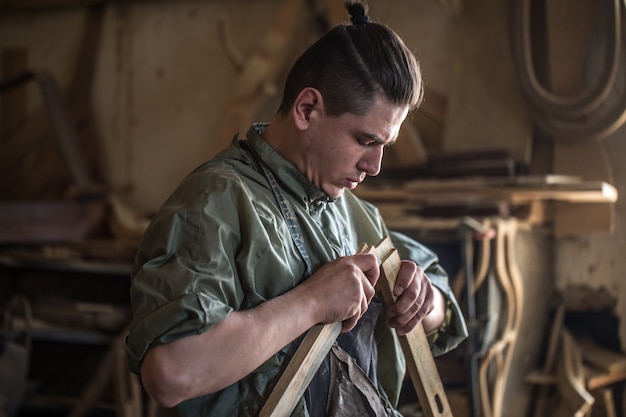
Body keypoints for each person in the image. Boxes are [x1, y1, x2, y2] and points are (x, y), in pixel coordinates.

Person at [125, 1, 468, 416]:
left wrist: (423, 301)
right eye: (364, 141)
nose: (374, 166)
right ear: (307, 109)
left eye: (384, 146)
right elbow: (171, 373)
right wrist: (310, 302)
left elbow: (442, 305)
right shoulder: (215, 201)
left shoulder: (357, 215)